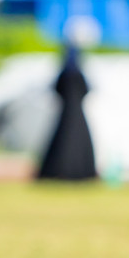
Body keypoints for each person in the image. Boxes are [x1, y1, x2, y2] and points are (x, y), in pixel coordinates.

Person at [36, 43, 98, 181]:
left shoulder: (63, 74)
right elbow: (88, 89)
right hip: (78, 115)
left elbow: (55, 89)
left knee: (63, 141)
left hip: (65, 115)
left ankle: (60, 171)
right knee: (79, 143)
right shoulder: (80, 74)